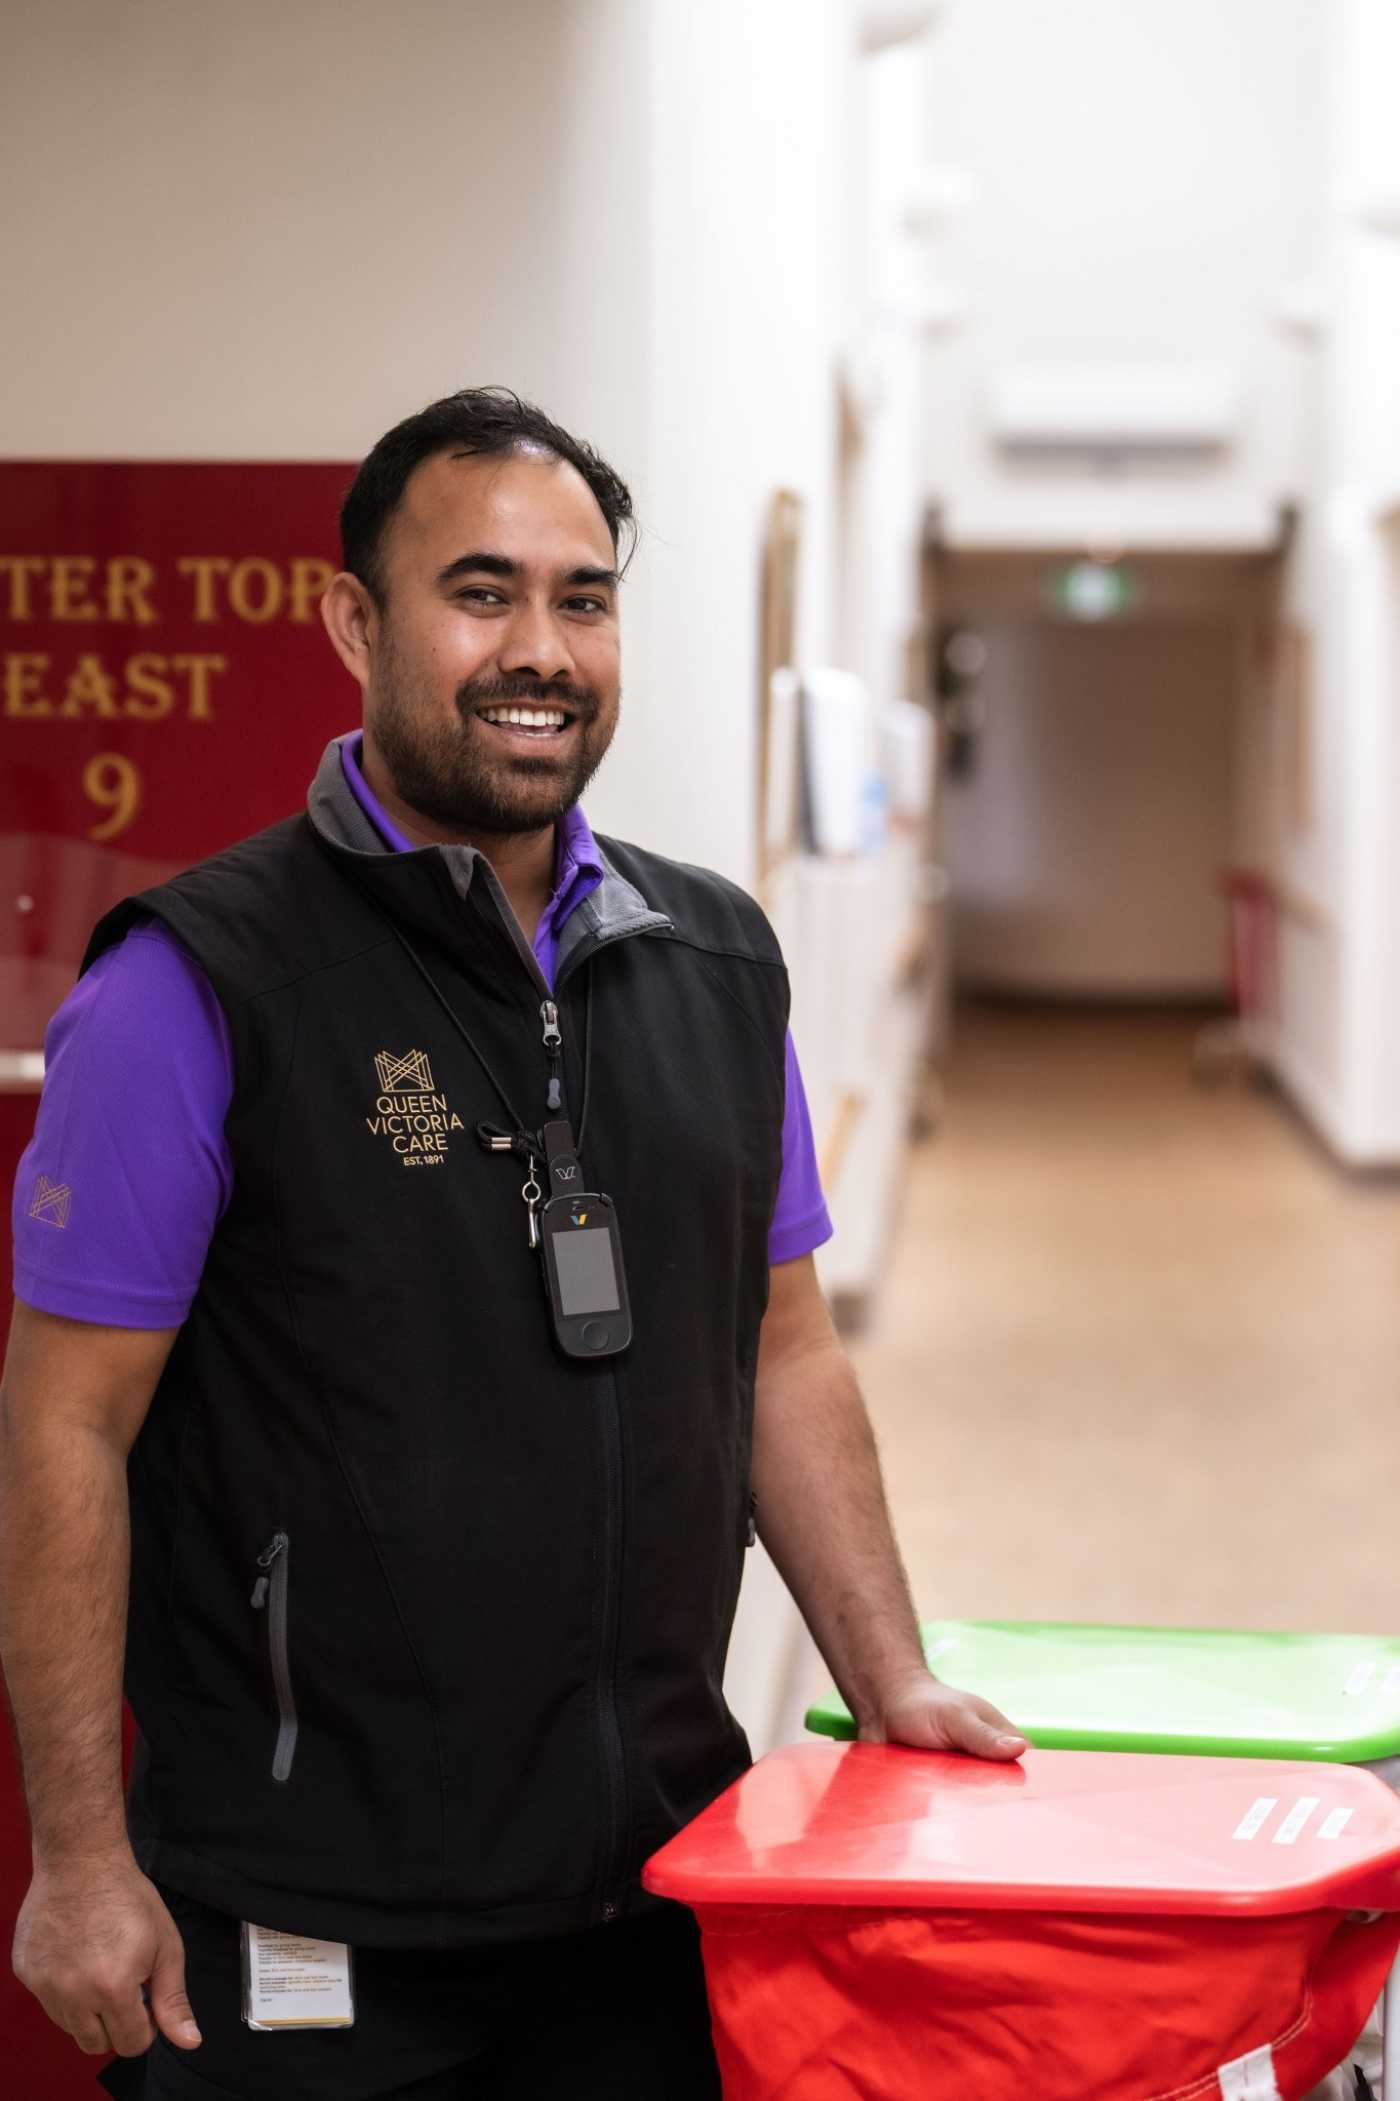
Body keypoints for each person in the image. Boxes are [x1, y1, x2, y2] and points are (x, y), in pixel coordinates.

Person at [1, 388, 1024, 2098]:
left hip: (647, 1889)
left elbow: (782, 1350)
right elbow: (63, 1425)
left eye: (583, 597)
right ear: (356, 624)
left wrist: (890, 1672)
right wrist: (83, 1860)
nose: (539, 648)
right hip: (308, 1908)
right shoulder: (198, 984)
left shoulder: (715, 962)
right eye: (480, 592)